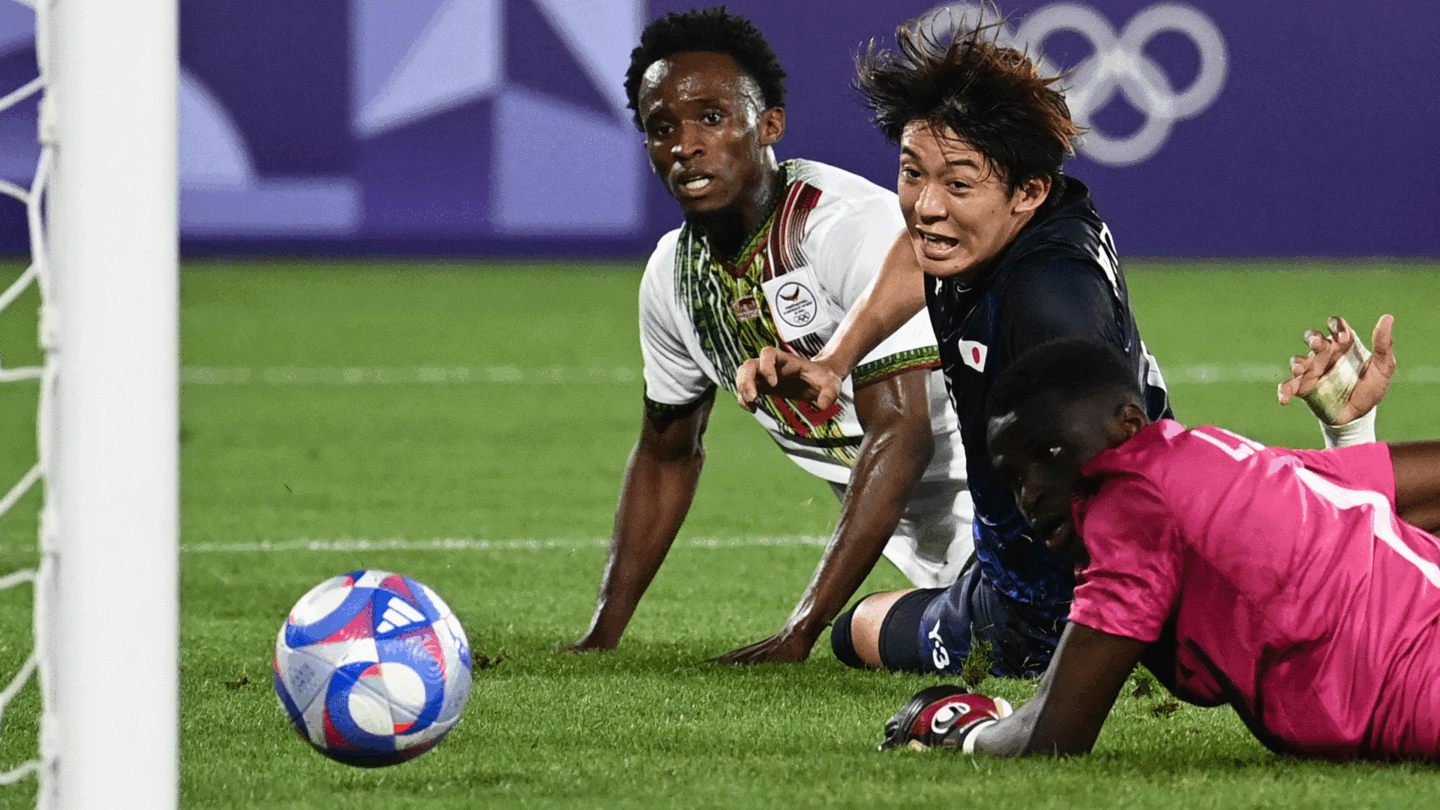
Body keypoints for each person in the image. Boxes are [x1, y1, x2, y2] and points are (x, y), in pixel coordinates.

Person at [737, 17, 1170, 677]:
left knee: (857, 634)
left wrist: (1095, 636)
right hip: (999, 570)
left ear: (1028, 191)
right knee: (858, 629)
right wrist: (834, 361)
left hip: (1049, 608)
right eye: (913, 173)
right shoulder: (989, 232)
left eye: (958, 184)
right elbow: (912, 251)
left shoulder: (1051, 303)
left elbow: (1119, 481)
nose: (926, 206)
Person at [561, 7, 976, 665]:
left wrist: (801, 628)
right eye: (661, 128)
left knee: (884, 634)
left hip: (1027, 514)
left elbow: (904, 435)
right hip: (949, 565)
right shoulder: (676, 279)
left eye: (713, 118)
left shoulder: (848, 230)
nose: (686, 144)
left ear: (769, 124)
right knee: (871, 634)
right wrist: (601, 636)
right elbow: (667, 454)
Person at [879, 323, 1440, 763]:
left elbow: (1051, 736)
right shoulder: (1213, 456)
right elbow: (1364, 510)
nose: (1033, 492)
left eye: (1049, 453)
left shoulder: (1127, 499)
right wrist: (1350, 436)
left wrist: (965, 731)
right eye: (1014, 477)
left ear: (1128, 425)